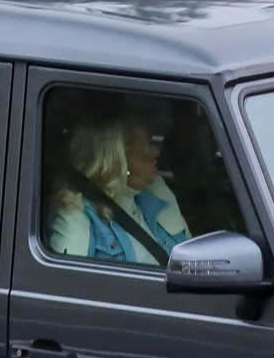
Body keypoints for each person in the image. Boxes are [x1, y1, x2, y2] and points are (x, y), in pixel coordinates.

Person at [44, 112, 191, 265]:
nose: (157, 151)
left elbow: (191, 259)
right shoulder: (75, 212)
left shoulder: (156, 191)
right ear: (119, 157)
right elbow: (64, 282)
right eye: (149, 143)